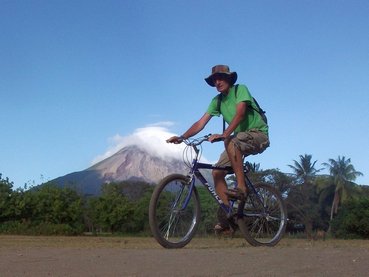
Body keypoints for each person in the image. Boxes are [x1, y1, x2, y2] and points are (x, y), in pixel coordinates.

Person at [166, 65, 270, 232]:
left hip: (257, 134)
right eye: (215, 80)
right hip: (238, 139)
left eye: (221, 78)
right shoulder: (217, 101)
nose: (217, 82)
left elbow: (241, 113)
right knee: (217, 173)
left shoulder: (240, 90)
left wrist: (225, 133)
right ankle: (231, 215)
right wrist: (182, 137)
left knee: (230, 141)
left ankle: (242, 188)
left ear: (229, 78)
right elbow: (201, 123)